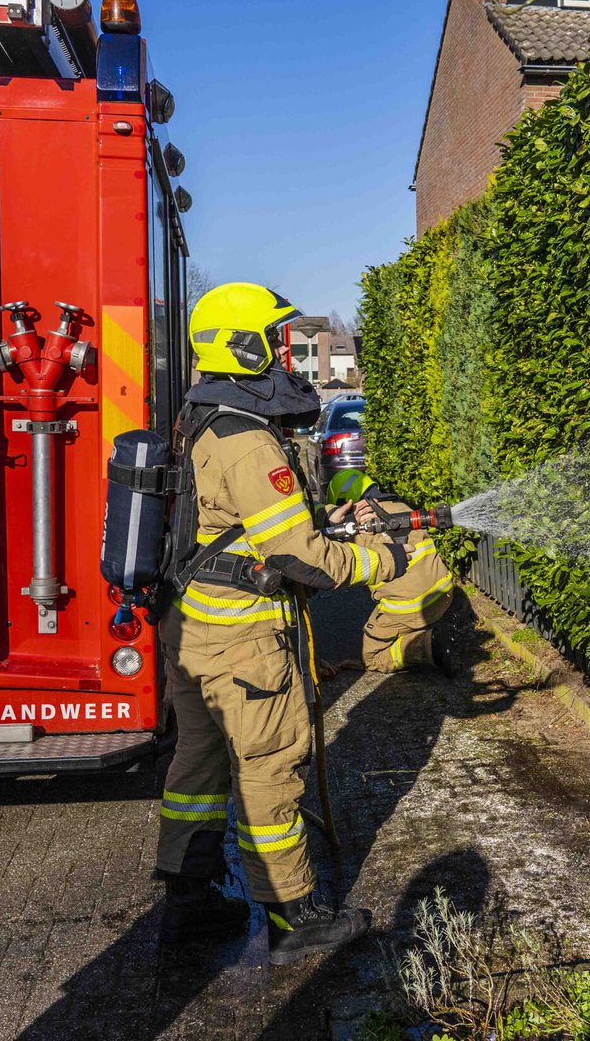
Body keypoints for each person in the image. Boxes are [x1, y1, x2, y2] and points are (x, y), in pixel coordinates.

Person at [156, 283, 409, 965]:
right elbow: (299, 556)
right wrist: (379, 559)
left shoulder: (202, 415)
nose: (283, 353)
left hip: (194, 628)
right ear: (242, 346)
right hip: (243, 640)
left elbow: (243, 525)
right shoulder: (247, 438)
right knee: (269, 767)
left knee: (199, 767)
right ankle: (294, 917)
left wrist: (323, 521)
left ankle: (187, 903)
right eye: (272, 340)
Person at [324, 469, 455, 674]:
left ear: (347, 503)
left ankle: (429, 644)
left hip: (408, 608)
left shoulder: (357, 528)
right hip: (444, 593)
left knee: (372, 657)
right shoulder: (402, 507)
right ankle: (422, 630)